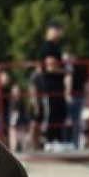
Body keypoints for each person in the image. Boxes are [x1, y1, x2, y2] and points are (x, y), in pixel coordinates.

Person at [39, 20, 67, 148]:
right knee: (53, 112)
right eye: (56, 29)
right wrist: (65, 71)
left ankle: (57, 139)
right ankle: (50, 141)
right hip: (51, 85)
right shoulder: (48, 47)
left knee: (60, 111)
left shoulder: (55, 47)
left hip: (57, 85)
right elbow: (50, 67)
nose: (59, 33)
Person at [63, 51, 88, 150]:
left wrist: (67, 94)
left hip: (73, 96)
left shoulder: (69, 68)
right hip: (80, 95)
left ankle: (68, 142)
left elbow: (68, 80)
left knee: (68, 120)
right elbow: (85, 84)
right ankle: (74, 143)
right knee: (76, 120)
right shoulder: (82, 67)